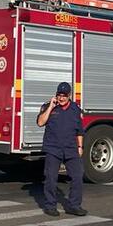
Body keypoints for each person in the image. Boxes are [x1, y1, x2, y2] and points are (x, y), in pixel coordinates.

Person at [36, 81, 86, 217]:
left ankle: (74, 205)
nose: (61, 98)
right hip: (53, 148)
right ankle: (50, 206)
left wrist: (80, 147)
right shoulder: (49, 107)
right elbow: (40, 122)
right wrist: (51, 107)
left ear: (69, 95)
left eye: (64, 95)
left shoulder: (76, 109)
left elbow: (80, 131)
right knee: (51, 178)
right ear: (56, 95)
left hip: (71, 148)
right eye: (59, 95)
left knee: (77, 176)